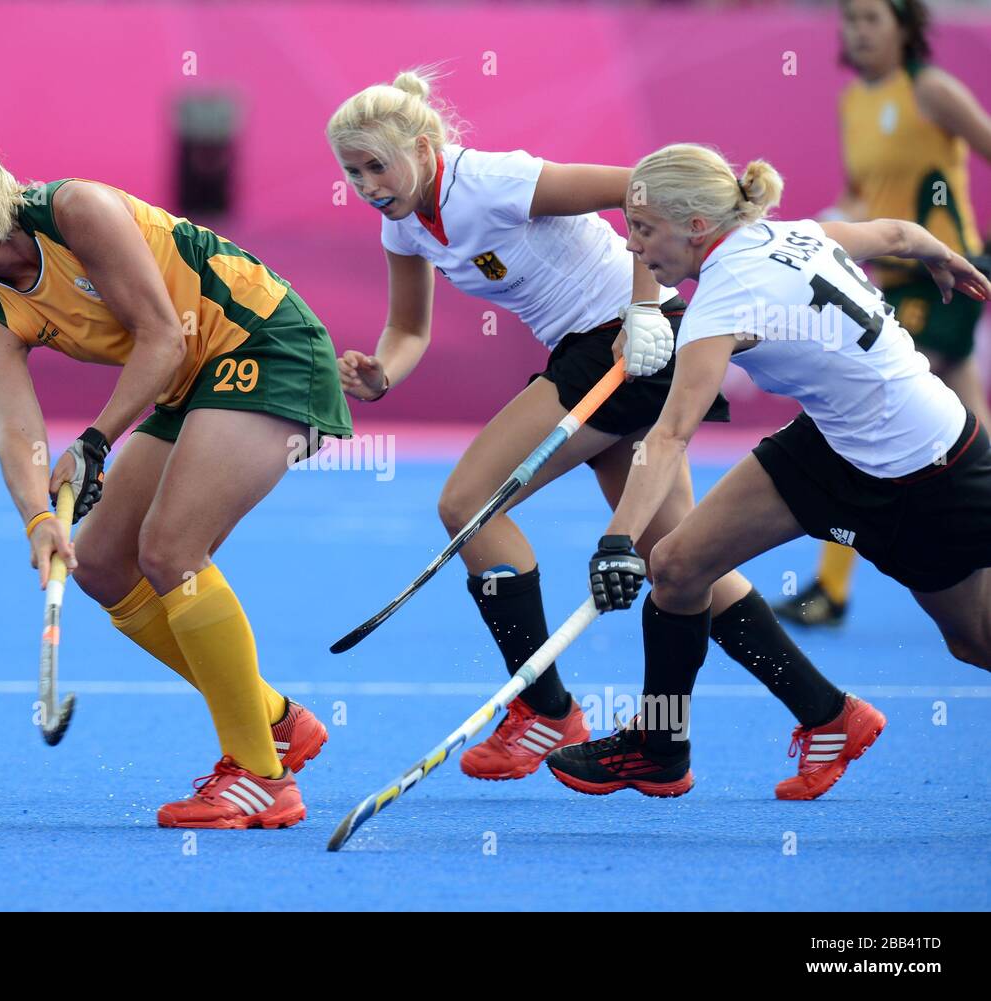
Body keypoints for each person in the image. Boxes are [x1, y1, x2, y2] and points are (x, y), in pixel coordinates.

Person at [328, 71, 869, 796]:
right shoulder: (401, 222)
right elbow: (408, 328)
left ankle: (545, 709)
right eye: (352, 171)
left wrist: (646, 310)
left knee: (467, 502)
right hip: (592, 351)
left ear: (424, 148)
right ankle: (827, 711)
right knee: (677, 557)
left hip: (622, 337)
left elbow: (642, 189)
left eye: (376, 165)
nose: (366, 183)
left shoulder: (491, 181)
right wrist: (383, 374)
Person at [0, 117, 352, 829]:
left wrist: (98, 441)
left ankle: (260, 774)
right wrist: (40, 519)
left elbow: (164, 337)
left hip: (267, 344)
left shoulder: (77, 211)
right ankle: (273, 717)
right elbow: (17, 430)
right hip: (191, 383)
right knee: (101, 561)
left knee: (171, 550)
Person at [547, 144, 991, 801]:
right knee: (675, 566)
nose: (633, 247)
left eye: (644, 229)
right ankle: (659, 748)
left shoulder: (723, 299)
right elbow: (897, 233)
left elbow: (668, 436)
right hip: (835, 442)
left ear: (697, 226)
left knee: (974, 643)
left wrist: (616, 541)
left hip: (928, 473)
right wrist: (939, 255)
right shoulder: (791, 234)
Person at [776, 0, 991, 627]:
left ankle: (831, 588)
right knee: (969, 421)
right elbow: (860, 197)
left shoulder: (931, 90)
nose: (858, 31)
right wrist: (804, 236)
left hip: (943, 277)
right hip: (892, 284)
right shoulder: (854, 103)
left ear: (904, 26)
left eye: (872, 18)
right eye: (850, 20)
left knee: (865, 401)